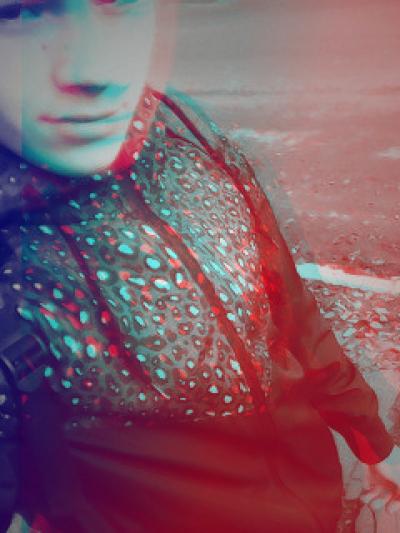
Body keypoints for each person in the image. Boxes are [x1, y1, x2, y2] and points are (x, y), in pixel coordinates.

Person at [0, 1, 399, 532]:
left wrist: (369, 438)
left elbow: (286, 304)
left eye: (117, 2)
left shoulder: (180, 126)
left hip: (316, 495)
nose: (96, 69)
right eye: (19, 12)